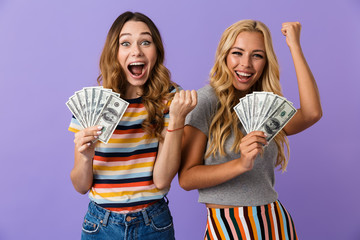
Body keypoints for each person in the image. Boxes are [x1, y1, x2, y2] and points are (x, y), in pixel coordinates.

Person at [179, 20, 322, 239]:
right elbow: (186, 178)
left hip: (275, 222)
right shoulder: (205, 101)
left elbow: (312, 113)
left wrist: (294, 45)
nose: (246, 64)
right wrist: (241, 164)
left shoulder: (265, 105)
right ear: (224, 55)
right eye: (238, 53)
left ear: (266, 61)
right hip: (228, 227)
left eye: (257, 55)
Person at [68, 11, 197, 239]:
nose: (136, 51)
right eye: (125, 43)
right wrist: (86, 156)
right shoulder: (92, 105)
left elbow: (162, 179)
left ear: (156, 51)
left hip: (153, 223)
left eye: (145, 42)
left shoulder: (171, 100)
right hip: (100, 225)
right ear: (114, 53)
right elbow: (80, 186)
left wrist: (177, 120)